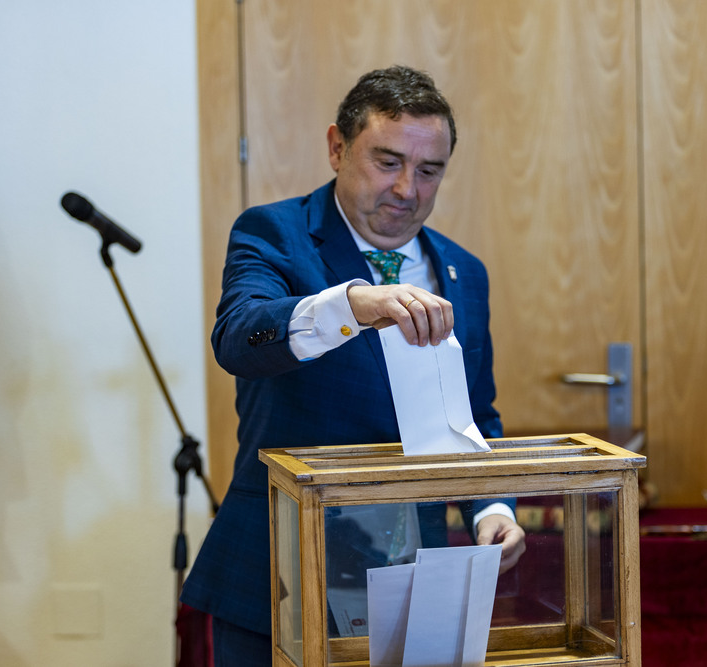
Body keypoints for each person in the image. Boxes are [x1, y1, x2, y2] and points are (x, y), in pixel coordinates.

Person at [180, 65, 526, 665]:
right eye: (387, 162)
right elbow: (238, 338)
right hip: (283, 574)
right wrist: (349, 306)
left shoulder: (463, 271)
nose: (407, 190)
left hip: (417, 583)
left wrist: (491, 509)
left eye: (429, 170)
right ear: (337, 147)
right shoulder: (274, 234)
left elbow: (474, 416)